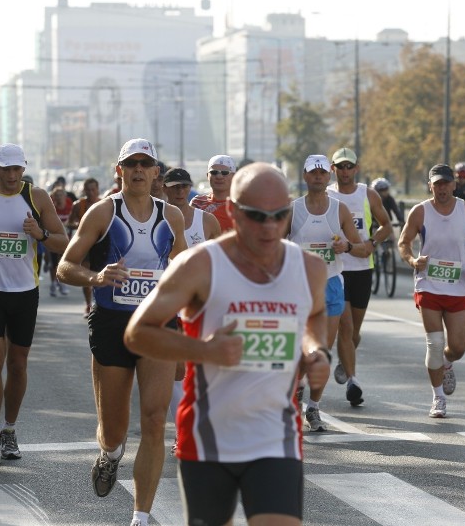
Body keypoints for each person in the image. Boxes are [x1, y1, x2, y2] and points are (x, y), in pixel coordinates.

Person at [125, 162, 329, 526]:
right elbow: (138, 332)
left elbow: (314, 315)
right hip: (208, 439)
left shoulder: (309, 268)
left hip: (275, 436)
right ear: (232, 211)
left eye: (279, 216)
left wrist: (316, 350)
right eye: (256, 216)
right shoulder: (199, 265)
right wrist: (203, 350)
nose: (269, 227)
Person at [56, 138, 186, 526]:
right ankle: (111, 455)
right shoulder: (103, 212)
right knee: (113, 428)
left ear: (156, 172)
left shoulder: (172, 216)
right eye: (132, 164)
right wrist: (96, 277)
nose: (139, 170)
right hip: (112, 322)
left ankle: (140, 516)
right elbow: (65, 266)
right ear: (120, 170)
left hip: (157, 324)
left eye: (146, 164)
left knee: (153, 418)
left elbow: (182, 267)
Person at [0, 144, 69, 463]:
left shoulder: (38, 197)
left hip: (23, 290)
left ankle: (10, 430)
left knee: (17, 364)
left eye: (17, 169)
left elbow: (63, 241)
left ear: (23, 168)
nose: (11, 175)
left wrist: (40, 233)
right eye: (5, 169)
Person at [287, 154, 369, 432]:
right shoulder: (293, 209)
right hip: (300, 287)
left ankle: (314, 408)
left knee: (322, 351)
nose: (319, 176)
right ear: (305, 176)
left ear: (328, 176)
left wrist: (345, 247)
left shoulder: (340, 210)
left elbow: (361, 248)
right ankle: (297, 387)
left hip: (332, 283)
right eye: (314, 172)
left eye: (323, 172)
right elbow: (273, 245)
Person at [397, 163, 465, 418]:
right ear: (430, 186)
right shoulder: (420, 211)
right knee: (435, 343)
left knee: (457, 348)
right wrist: (413, 260)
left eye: (446, 183)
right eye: (437, 183)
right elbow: (404, 242)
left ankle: (446, 364)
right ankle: (438, 398)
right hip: (428, 284)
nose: (442, 188)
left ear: (454, 184)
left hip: (457, 285)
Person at [326, 147, 393, 406]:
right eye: (340, 167)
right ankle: (353, 382)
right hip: (337, 268)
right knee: (346, 327)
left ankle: (345, 358)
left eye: (348, 166)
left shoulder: (368, 194)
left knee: (355, 333)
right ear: (333, 169)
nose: (344, 171)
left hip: (363, 267)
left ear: (356, 168)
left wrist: (372, 242)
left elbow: (386, 225)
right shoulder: (328, 195)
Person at [162, 166, 221, 453]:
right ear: (164, 188)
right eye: (174, 187)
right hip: (169, 300)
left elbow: (219, 263)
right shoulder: (156, 218)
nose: (180, 192)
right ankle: (182, 432)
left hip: (201, 303)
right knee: (176, 369)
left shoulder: (207, 221)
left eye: (184, 187)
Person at [69, 177, 101, 317]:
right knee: (86, 275)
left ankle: (98, 303)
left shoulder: (104, 204)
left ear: (97, 190)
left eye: (93, 189)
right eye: (88, 190)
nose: (90, 192)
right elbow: (69, 223)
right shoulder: (79, 205)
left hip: (100, 245)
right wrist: (77, 225)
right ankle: (88, 304)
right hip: (85, 245)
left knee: (100, 275)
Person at [191, 154, 236, 232]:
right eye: (214, 172)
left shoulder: (240, 205)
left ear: (234, 176)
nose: (219, 176)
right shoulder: (198, 202)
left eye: (225, 173)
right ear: (207, 176)